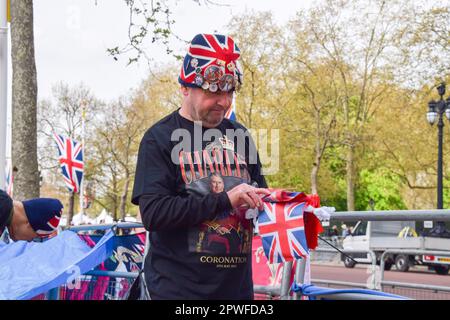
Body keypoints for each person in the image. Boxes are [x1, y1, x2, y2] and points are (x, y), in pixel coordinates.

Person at [131, 33, 270, 300]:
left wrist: (291, 208)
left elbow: (259, 194)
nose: (224, 101)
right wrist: (226, 200)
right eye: (213, 91)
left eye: (229, 91)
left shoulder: (239, 135)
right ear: (185, 88)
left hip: (237, 294)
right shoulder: (159, 137)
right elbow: (154, 214)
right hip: (177, 293)